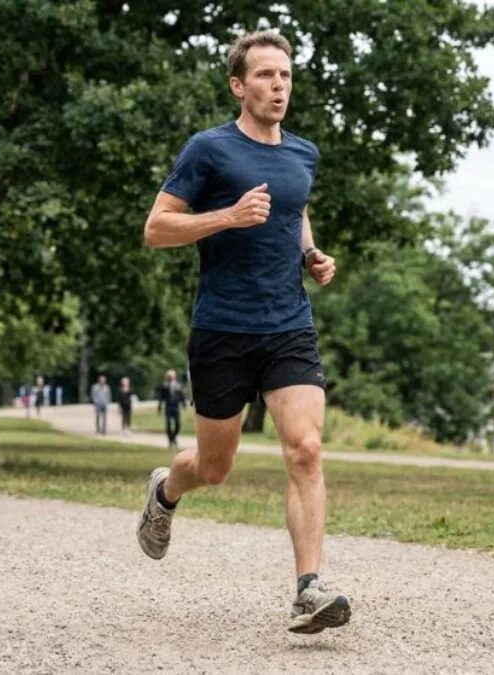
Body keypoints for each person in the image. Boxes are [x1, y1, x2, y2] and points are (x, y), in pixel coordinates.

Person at [137, 31, 346, 634]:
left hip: (288, 324)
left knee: (306, 450)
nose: (277, 86)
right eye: (264, 76)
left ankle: (309, 589)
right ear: (239, 84)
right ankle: (166, 490)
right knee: (214, 466)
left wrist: (311, 254)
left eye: (284, 76)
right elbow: (157, 228)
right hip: (223, 329)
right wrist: (227, 217)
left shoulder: (302, 154)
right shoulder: (209, 150)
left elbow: (294, 209)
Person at [156, 369, 186, 449]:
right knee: (168, 424)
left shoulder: (178, 386)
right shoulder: (165, 386)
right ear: (167, 377)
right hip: (168, 407)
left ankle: (173, 437)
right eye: (169, 376)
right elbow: (161, 398)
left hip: (176, 407)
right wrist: (159, 407)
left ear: (175, 377)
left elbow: (181, 396)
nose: (171, 378)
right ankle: (170, 440)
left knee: (177, 425)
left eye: (172, 376)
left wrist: (183, 404)